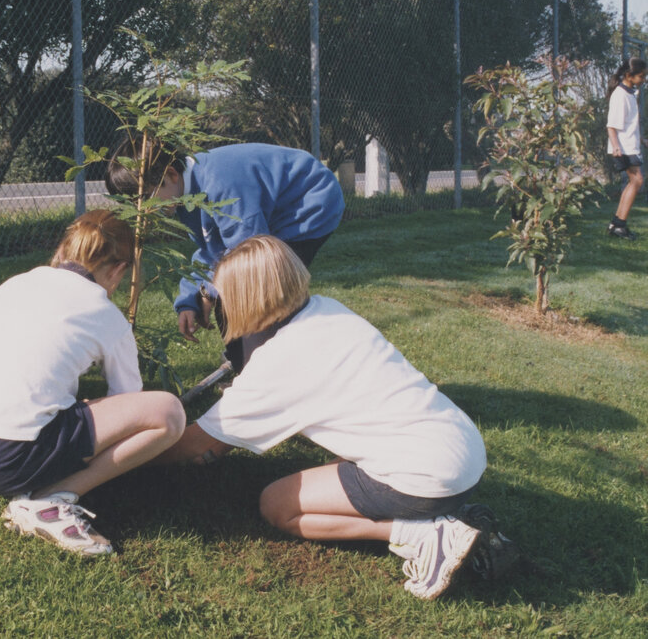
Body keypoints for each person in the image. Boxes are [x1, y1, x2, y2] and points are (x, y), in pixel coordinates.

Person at [154, 235, 493, 600]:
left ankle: (424, 534)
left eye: (221, 296)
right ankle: (452, 514)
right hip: (464, 451)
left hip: (428, 478)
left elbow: (194, 445)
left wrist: (130, 450)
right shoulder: (327, 309)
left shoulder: (278, 362)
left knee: (277, 505)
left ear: (243, 299)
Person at [0, 210, 185, 557]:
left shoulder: (15, 282)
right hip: (1, 457)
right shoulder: (108, 315)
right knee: (168, 412)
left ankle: (42, 485)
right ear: (119, 271)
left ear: (64, 251)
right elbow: (130, 401)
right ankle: (52, 499)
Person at [105, 139, 345, 371]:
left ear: (172, 175)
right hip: (263, 218)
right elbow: (212, 249)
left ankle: (271, 364)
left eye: (146, 198)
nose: (144, 210)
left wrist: (210, 291)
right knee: (227, 291)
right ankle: (248, 363)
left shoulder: (222, 185)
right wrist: (191, 298)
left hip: (307, 206)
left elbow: (248, 256)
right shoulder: (184, 196)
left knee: (261, 288)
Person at [606, 57, 647, 240]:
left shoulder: (630, 93)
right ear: (629, 75)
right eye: (641, 76)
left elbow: (629, 124)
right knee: (637, 181)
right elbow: (611, 126)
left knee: (634, 182)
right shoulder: (620, 95)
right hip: (623, 148)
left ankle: (617, 223)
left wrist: (641, 139)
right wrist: (615, 146)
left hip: (630, 145)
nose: (644, 79)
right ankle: (619, 224)